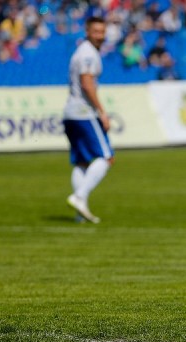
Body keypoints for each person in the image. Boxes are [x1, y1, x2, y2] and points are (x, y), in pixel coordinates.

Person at [63, 16, 113, 224]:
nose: (100, 36)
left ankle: (79, 212)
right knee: (106, 157)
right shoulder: (88, 53)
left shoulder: (81, 51)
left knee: (81, 161)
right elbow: (87, 83)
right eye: (96, 32)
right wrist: (102, 111)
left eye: (102, 32)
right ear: (87, 32)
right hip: (84, 112)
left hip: (70, 113)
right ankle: (79, 196)